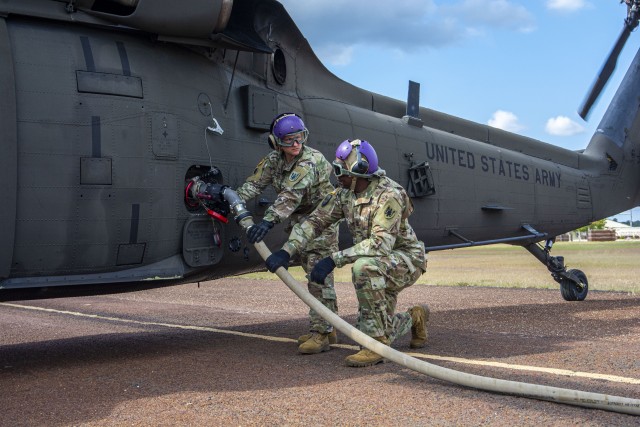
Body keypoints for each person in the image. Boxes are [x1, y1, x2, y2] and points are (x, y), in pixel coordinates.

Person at [265, 138, 430, 367]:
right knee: (378, 322)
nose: (336, 176)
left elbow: (380, 244)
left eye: (340, 171)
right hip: (380, 260)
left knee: (364, 269)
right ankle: (415, 317)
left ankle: (375, 346)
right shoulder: (345, 193)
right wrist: (287, 250)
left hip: (405, 259)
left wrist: (334, 259)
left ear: (359, 172)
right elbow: (315, 221)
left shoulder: (388, 195)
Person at [236, 113, 340, 354]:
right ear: (277, 143)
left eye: (300, 138)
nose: (296, 144)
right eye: (289, 140)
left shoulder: (310, 161)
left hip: (321, 221)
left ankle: (321, 333)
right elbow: (255, 183)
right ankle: (328, 326)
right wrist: (235, 200)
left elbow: (291, 196)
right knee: (311, 272)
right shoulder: (274, 161)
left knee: (318, 274)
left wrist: (268, 222)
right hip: (299, 222)